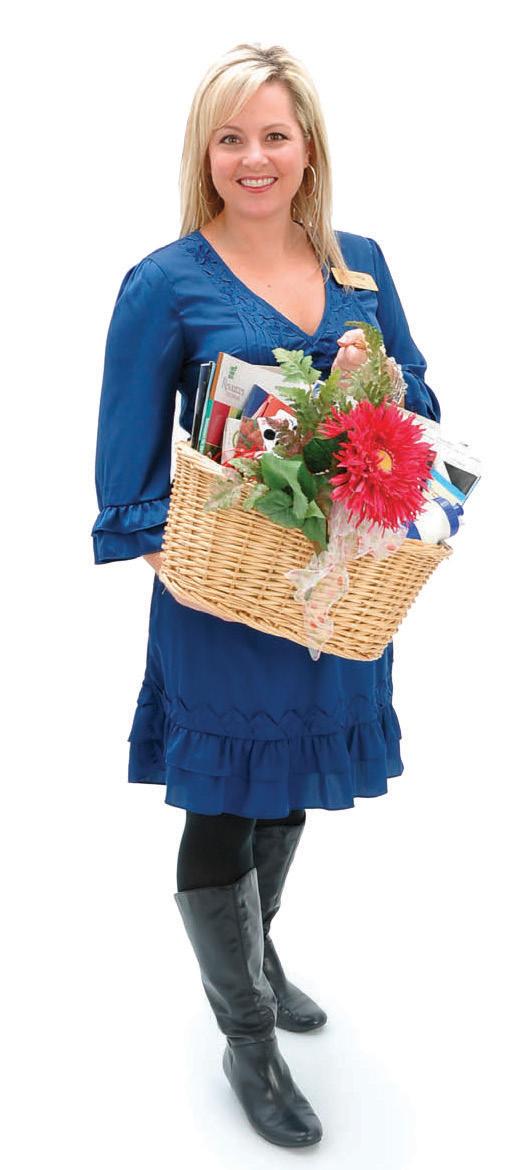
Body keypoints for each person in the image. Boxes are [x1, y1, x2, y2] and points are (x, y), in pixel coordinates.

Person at [91, 42, 441, 1149]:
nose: (254, 157)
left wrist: (377, 378)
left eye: (274, 135)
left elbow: (423, 408)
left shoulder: (360, 268)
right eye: (230, 137)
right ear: (205, 153)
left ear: (307, 149)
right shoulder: (165, 283)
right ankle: (247, 1040)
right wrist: (180, 568)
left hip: (333, 596)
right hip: (220, 601)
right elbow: (126, 462)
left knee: (284, 786)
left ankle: (258, 952)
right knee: (223, 805)